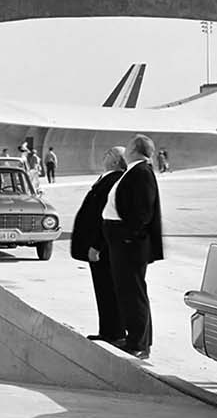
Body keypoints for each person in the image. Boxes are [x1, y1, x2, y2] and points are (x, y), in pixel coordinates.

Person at [101, 134, 163, 359]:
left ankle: (139, 343)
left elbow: (143, 213)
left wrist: (128, 237)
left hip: (129, 245)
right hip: (122, 243)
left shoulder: (142, 172)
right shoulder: (134, 170)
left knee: (133, 293)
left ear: (136, 150)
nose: (125, 149)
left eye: (128, 145)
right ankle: (136, 337)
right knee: (128, 292)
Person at [70, 146, 127, 344]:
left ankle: (116, 332)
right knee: (102, 289)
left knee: (109, 289)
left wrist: (97, 244)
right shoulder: (106, 177)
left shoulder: (115, 179)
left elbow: (106, 216)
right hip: (97, 245)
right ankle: (108, 330)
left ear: (117, 160)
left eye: (110, 153)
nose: (106, 154)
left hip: (103, 247)